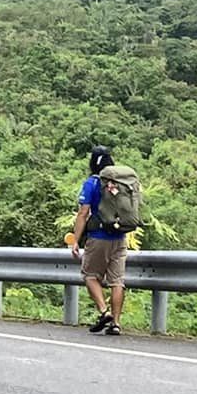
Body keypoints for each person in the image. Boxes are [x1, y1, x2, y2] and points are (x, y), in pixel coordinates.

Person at [69, 144, 140, 335]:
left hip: (99, 237)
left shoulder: (92, 183)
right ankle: (115, 324)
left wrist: (75, 240)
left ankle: (104, 311)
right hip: (120, 237)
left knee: (90, 275)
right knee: (117, 281)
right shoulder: (119, 182)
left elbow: (83, 213)